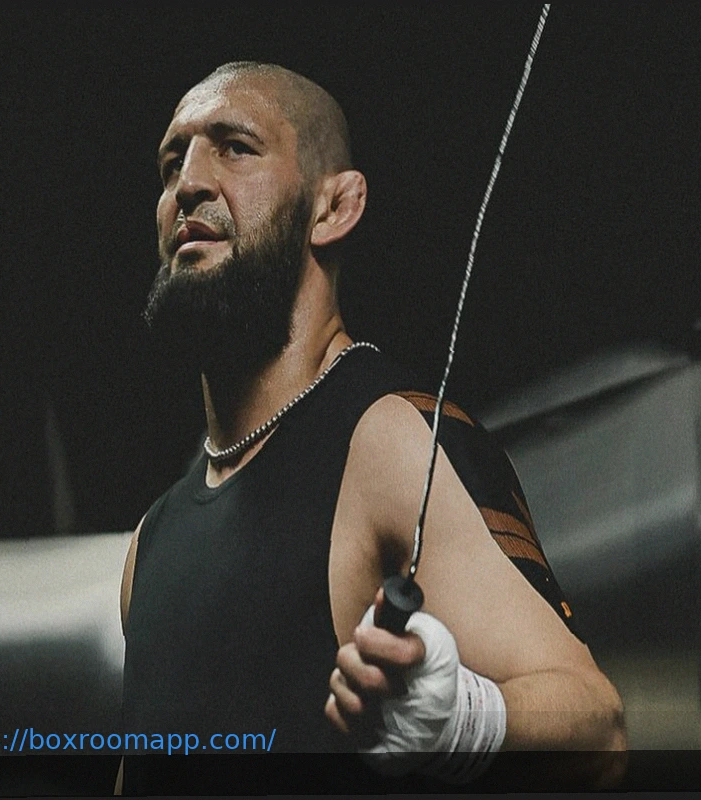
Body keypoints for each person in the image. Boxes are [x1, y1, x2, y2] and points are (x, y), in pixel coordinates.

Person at [117, 61, 626, 795]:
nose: (188, 183)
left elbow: (598, 728)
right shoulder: (151, 541)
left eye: (235, 147)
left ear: (335, 206)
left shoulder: (390, 440)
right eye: (172, 163)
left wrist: (465, 723)